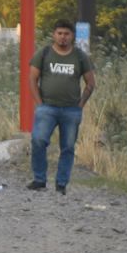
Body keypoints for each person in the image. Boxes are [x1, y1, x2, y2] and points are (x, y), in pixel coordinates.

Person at [27, 19, 96, 195]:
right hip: (47, 108)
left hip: (71, 110)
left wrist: (80, 105)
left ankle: (61, 184)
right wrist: (39, 103)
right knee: (38, 141)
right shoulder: (44, 54)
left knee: (68, 147)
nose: (63, 37)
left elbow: (90, 83)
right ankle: (39, 179)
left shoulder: (80, 57)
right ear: (54, 35)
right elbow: (32, 79)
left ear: (72, 36)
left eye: (66, 34)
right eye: (59, 33)